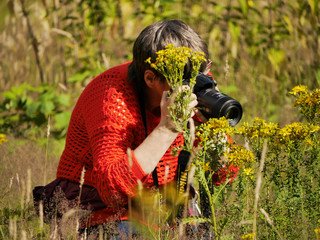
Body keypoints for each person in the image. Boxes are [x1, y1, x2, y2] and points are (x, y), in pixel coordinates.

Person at [33, 19, 237, 237]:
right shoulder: (112, 96)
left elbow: (225, 174)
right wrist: (167, 129)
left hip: (167, 200)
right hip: (103, 208)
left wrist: (216, 127)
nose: (196, 88)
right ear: (150, 78)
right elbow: (113, 191)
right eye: (185, 81)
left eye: (202, 74)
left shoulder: (199, 82)